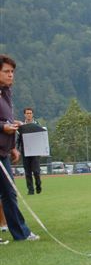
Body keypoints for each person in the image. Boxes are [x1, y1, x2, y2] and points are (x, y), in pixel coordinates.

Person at [0, 55, 39, 241]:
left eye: (12, 72)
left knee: (9, 192)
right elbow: (2, 123)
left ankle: (20, 233)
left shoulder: (6, 92)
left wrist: (12, 147)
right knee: (8, 193)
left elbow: (6, 119)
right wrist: (3, 127)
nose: (11, 75)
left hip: (3, 151)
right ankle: (21, 232)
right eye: (6, 71)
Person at [17, 108, 42, 195]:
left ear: (32, 114)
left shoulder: (37, 125)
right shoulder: (21, 126)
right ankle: (30, 190)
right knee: (27, 172)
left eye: (30, 113)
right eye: (27, 113)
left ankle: (38, 185)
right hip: (25, 151)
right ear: (24, 115)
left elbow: (41, 137)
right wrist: (17, 149)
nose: (29, 115)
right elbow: (18, 139)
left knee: (36, 171)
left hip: (35, 151)